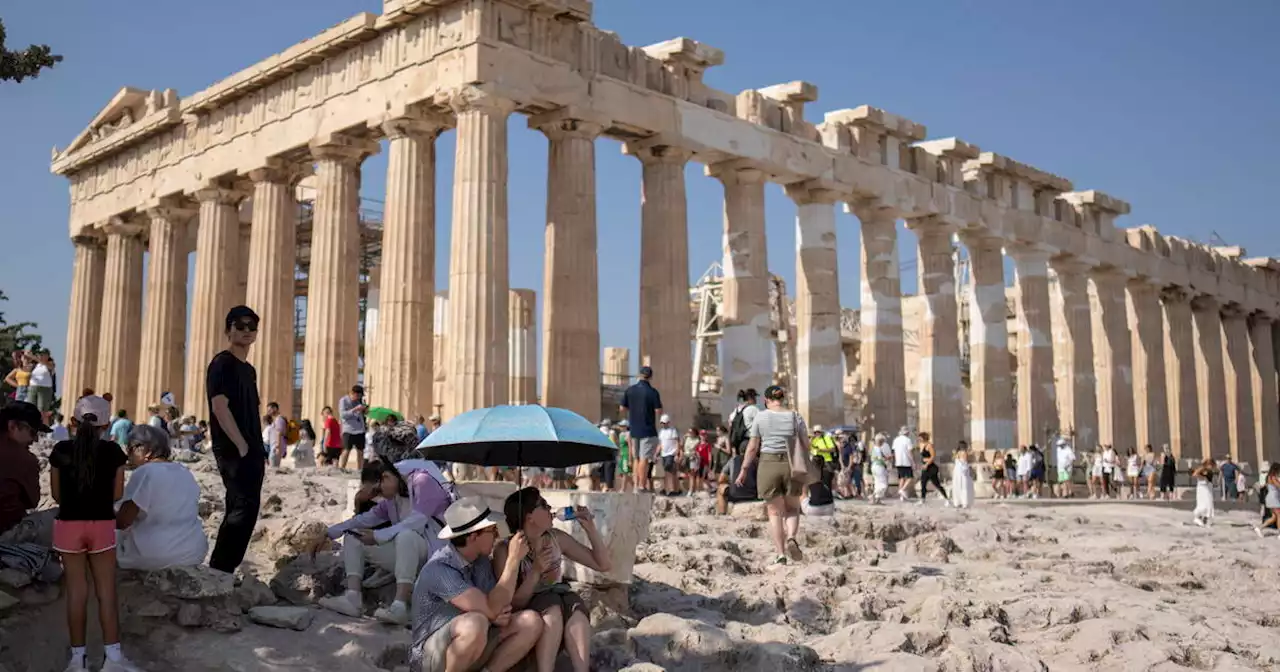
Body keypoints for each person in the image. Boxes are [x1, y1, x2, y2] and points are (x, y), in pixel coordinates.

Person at [50, 395, 139, 672]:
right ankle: (113, 659)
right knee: (106, 593)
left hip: (68, 525)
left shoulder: (61, 449)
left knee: (77, 592)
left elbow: (55, 494)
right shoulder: (113, 453)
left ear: (74, 421)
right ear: (106, 424)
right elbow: (117, 494)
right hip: (101, 524)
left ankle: (78, 660)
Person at [409, 498, 544, 672]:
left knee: (530, 622)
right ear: (473, 536)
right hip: (429, 658)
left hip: (472, 644)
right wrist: (513, 560)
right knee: (475, 623)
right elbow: (491, 609)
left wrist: (493, 613)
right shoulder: (440, 569)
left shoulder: (479, 562)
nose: (497, 535)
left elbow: (498, 606)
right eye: (492, 530)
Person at [496, 488, 612, 672]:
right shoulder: (506, 550)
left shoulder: (555, 538)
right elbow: (513, 603)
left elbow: (603, 565)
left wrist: (590, 529)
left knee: (576, 608)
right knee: (552, 608)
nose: (550, 507)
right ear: (529, 517)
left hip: (559, 598)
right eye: (543, 505)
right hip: (531, 613)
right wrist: (535, 571)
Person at [320, 461, 434, 625]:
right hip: (405, 557)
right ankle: (353, 597)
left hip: (430, 555)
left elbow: (415, 523)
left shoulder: (423, 487)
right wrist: (327, 534)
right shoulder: (390, 502)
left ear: (387, 477)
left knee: (406, 535)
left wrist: (378, 536)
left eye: (377, 490)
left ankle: (400, 606)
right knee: (353, 535)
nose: (376, 495)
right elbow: (361, 520)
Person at [206, 305, 266, 575]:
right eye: (239, 325)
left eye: (251, 326)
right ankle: (220, 568)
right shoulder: (222, 363)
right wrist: (240, 445)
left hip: (251, 447)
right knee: (241, 508)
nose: (246, 331)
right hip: (234, 447)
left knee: (245, 508)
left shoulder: (249, 370)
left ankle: (224, 569)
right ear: (228, 329)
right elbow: (220, 406)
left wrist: (254, 447)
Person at [734, 385, 809, 565]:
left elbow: (752, 447)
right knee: (792, 508)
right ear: (782, 399)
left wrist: (743, 470)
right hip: (791, 465)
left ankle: (781, 554)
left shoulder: (761, 416)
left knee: (775, 513)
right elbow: (806, 444)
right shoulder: (795, 416)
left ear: (766, 400)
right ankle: (791, 536)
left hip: (768, 464)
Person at [115, 425, 207, 569]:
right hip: (193, 552)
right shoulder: (184, 472)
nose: (129, 456)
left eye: (131, 449)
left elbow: (123, 521)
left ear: (147, 450)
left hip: (155, 555)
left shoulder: (145, 472)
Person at [0, 401, 50, 544]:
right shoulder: (24, 459)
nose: (35, 440)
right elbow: (32, 501)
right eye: (33, 432)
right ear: (12, 426)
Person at [619, 366, 663, 493]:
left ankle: (635, 485)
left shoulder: (630, 390)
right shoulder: (653, 392)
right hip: (648, 429)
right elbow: (658, 411)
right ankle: (642, 485)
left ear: (639, 375)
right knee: (644, 458)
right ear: (650, 376)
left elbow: (622, 408)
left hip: (634, 428)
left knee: (636, 458)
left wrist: (634, 409)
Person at [339, 385, 369, 471]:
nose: (359, 398)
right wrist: (355, 409)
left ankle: (360, 470)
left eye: (360, 396)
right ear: (353, 393)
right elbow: (343, 415)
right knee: (346, 450)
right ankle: (342, 468)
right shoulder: (343, 400)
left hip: (360, 429)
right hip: (349, 429)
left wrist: (365, 410)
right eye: (358, 396)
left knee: (360, 451)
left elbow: (362, 415)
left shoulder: (359, 401)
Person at [917, 432, 948, 505]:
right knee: (923, 483)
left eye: (920, 438)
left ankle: (946, 499)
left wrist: (927, 463)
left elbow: (933, 457)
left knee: (936, 484)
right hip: (925, 467)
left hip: (931, 468)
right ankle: (922, 499)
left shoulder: (929, 445)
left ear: (924, 438)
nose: (919, 439)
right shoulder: (922, 445)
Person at [1253, 463, 1280, 538]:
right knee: (1279, 515)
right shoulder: (1272, 477)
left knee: (1274, 517)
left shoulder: (1269, 477)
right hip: (1273, 498)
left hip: (1271, 498)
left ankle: (1259, 528)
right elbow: (1278, 486)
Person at [657, 415, 680, 496]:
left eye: (665, 423)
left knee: (670, 470)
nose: (663, 424)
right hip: (664, 454)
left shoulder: (672, 430)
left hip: (671, 453)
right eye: (662, 423)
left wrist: (677, 454)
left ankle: (672, 489)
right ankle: (668, 488)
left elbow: (677, 442)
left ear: (668, 422)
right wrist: (656, 453)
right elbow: (660, 444)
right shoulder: (661, 432)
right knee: (666, 471)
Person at [891, 427, 915, 502]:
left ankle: (902, 497)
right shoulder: (908, 440)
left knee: (901, 478)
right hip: (906, 461)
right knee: (910, 477)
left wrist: (894, 460)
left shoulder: (896, 440)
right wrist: (913, 462)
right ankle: (902, 490)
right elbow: (910, 452)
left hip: (898, 461)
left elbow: (894, 451)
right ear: (907, 433)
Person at [1192, 458, 1217, 527]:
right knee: (1203, 503)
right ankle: (1198, 518)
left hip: (1208, 487)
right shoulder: (1202, 469)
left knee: (1209, 504)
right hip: (1202, 487)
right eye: (1211, 465)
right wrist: (1203, 478)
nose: (1212, 467)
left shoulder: (1210, 471)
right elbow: (1195, 474)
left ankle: (1205, 519)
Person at [263, 402, 287, 468]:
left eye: (269, 410)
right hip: (273, 447)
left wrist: (278, 447)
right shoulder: (276, 420)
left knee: (273, 468)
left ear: (275, 409)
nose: (268, 412)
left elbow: (279, 434)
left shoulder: (279, 420)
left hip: (275, 448)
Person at [869, 432, 892, 504]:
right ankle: (873, 495)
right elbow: (880, 459)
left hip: (874, 466)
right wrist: (888, 458)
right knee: (883, 484)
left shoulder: (874, 448)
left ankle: (877, 500)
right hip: (879, 466)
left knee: (877, 483)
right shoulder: (878, 449)